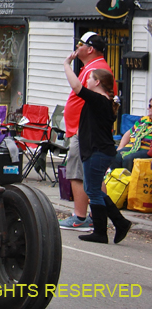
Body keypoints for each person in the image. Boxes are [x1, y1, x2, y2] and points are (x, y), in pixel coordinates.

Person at [63, 54, 131, 244]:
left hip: (98, 151)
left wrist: (67, 65)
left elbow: (77, 87)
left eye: (90, 78)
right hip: (99, 150)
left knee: (92, 190)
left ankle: (102, 231)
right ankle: (119, 222)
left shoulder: (99, 100)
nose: (87, 80)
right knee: (91, 188)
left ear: (97, 82)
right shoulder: (103, 101)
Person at [59, 32, 112, 231]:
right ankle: (98, 217)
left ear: (90, 49)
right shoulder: (90, 67)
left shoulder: (97, 69)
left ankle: (81, 217)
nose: (76, 46)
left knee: (80, 174)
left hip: (85, 132)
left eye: (80, 43)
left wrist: (66, 65)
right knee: (90, 176)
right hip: (81, 130)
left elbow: (82, 91)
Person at [111, 100, 152, 171]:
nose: (148, 108)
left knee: (128, 159)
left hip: (145, 149)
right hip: (131, 146)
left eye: (151, 107)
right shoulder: (144, 120)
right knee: (115, 156)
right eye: (149, 106)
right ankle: (116, 180)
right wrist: (120, 147)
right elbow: (128, 133)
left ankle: (129, 181)